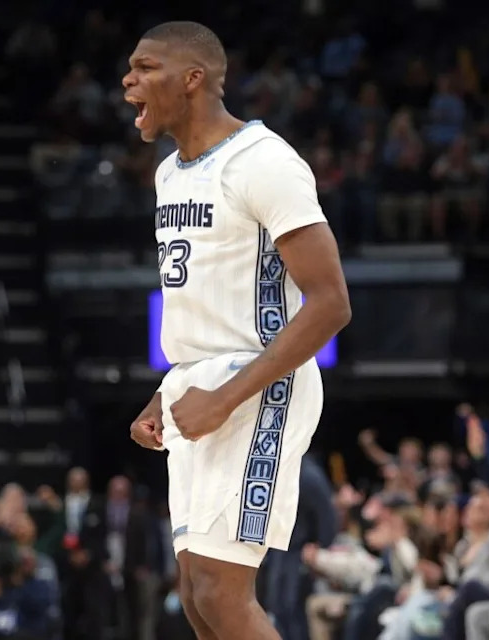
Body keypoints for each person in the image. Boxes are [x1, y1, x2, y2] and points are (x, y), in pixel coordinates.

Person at [124, 21, 351, 640]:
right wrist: (167, 392)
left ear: (192, 78)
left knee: (222, 595)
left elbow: (330, 303)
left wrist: (226, 397)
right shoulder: (169, 173)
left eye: (145, 68)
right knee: (196, 598)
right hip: (197, 383)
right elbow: (198, 304)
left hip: (257, 385)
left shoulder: (264, 161)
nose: (128, 83)